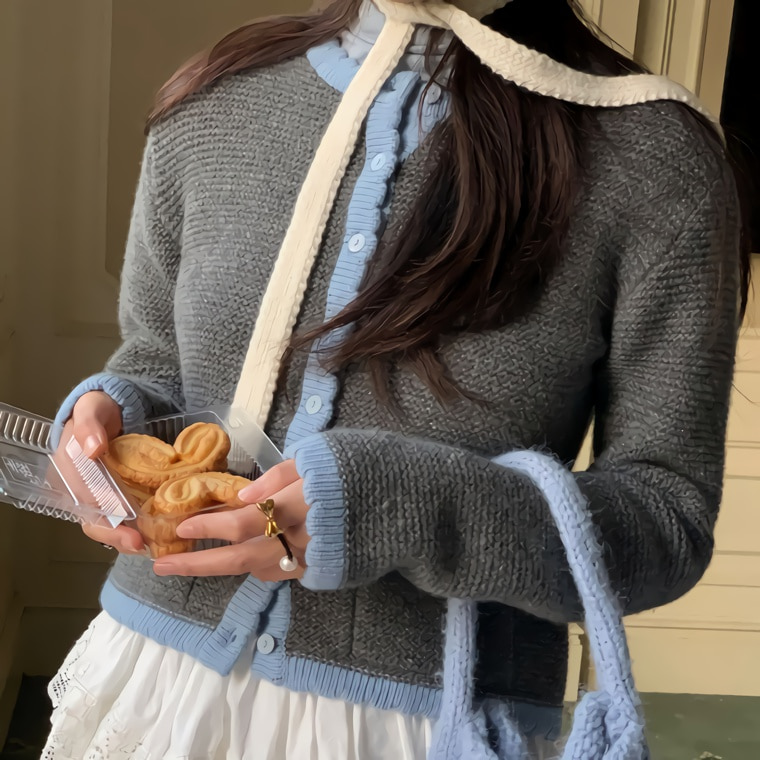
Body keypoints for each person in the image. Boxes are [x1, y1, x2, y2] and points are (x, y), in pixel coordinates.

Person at [42, 0, 750, 758]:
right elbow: (156, 363)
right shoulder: (216, 98)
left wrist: (402, 508)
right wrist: (112, 421)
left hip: (429, 724)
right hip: (155, 685)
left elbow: (666, 524)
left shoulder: (654, 159)